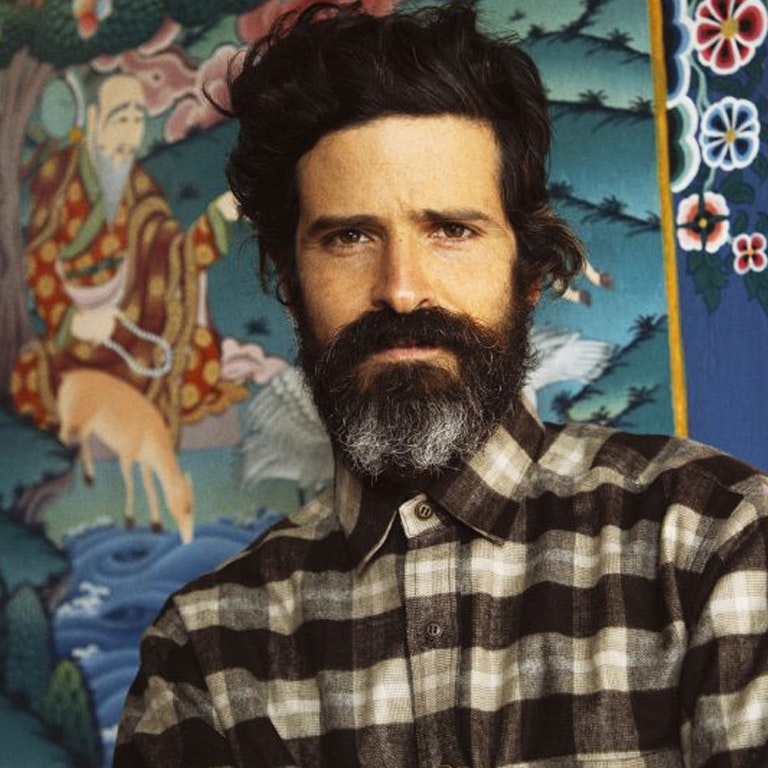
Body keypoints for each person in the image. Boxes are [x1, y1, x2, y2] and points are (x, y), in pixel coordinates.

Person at [115, 3, 768, 766]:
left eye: (452, 230)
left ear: (529, 271)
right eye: (349, 236)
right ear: (288, 280)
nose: (401, 289)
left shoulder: (713, 542)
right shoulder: (204, 655)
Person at [12, 73, 246, 441]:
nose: (131, 131)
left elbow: (171, 254)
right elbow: (41, 264)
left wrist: (217, 218)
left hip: (134, 315)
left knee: (193, 358)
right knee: (40, 378)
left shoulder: (137, 183)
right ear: (95, 121)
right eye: (121, 118)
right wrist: (74, 321)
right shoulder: (58, 177)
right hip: (83, 328)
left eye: (137, 119)